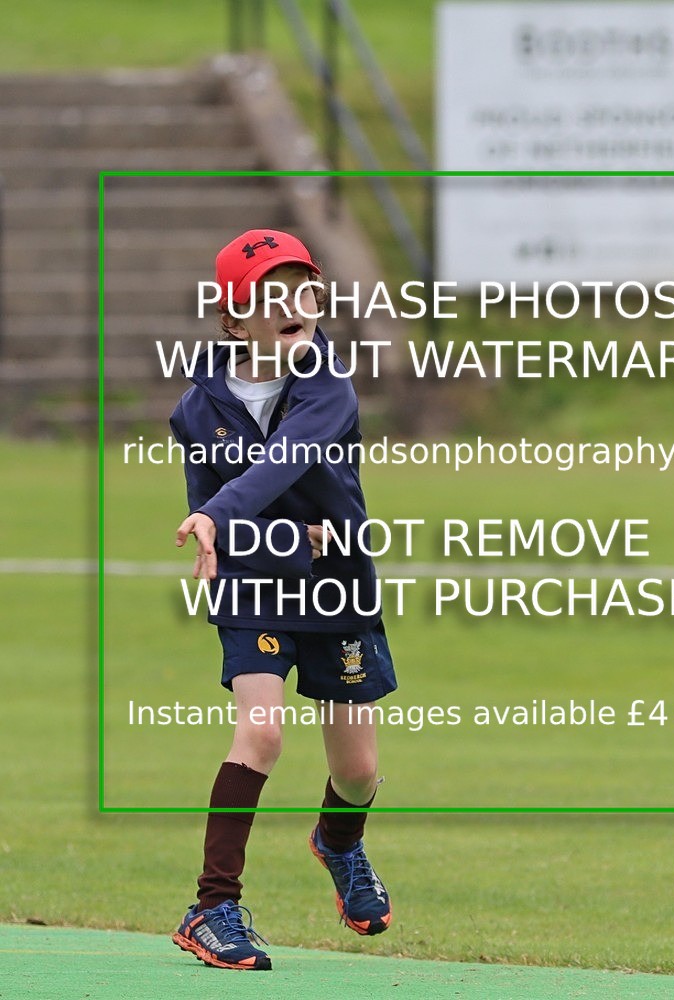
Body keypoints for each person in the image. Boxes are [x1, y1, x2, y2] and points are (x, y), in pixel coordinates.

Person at [169, 229, 395, 971]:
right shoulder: (196, 409)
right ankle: (212, 909)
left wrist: (226, 518)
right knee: (260, 735)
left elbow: (286, 459)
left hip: (337, 592)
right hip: (253, 589)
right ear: (236, 321)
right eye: (272, 293)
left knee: (357, 771)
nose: (295, 303)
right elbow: (217, 514)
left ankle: (337, 840)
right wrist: (224, 530)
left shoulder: (328, 386)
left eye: (303, 287)